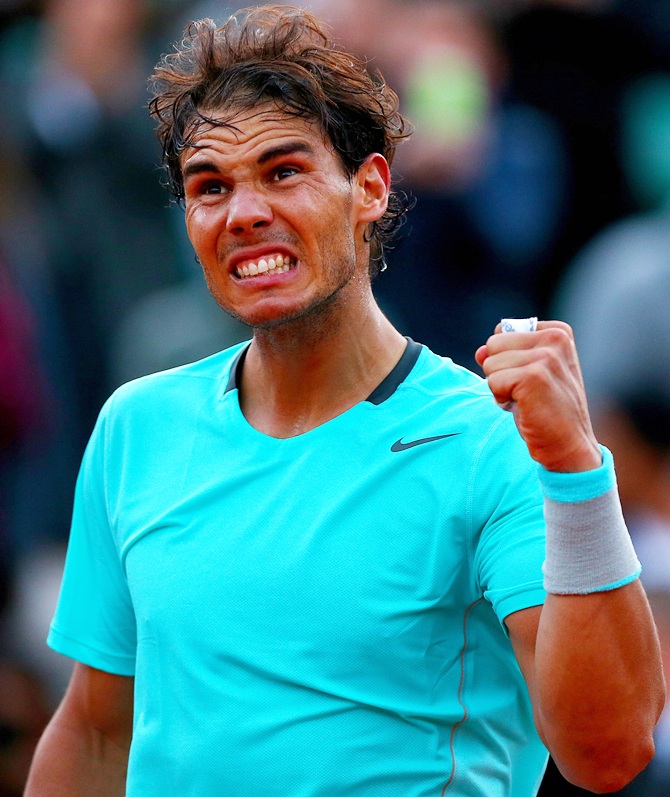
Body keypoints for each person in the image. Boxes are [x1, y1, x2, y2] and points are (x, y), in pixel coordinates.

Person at [24, 5, 665, 796]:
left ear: (370, 188)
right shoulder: (135, 426)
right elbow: (95, 730)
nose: (244, 211)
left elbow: (610, 749)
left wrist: (575, 469)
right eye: (209, 185)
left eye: (283, 171)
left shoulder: (490, 439)